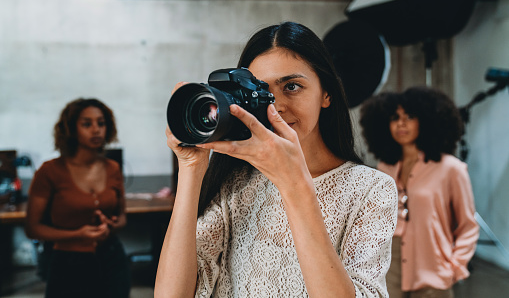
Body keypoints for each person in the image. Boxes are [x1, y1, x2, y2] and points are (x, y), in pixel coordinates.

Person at [155, 21, 398, 298]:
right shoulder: (236, 183)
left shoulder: (371, 189)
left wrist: (293, 183)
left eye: (292, 86)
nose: (277, 106)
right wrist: (191, 168)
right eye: (262, 92)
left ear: (326, 94)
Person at [359, 86, 479, 298]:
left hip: (433, 269)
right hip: (390, 268)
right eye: (395, 117)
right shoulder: (385, 167)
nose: (401, 123)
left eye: (410, 116)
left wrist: (454, 268)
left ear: (426, 120)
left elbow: (468, 226)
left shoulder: (451, 169)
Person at [25, 98, 130, 298]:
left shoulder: (113, 168)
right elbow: (33, 228)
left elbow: (123, 217)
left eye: (101, 123)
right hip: (67, 263)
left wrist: (111, 225)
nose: (96, 130)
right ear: (71, 129)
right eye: (86, 124)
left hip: (112, 260)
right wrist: (78, 234)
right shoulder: (50, 171)